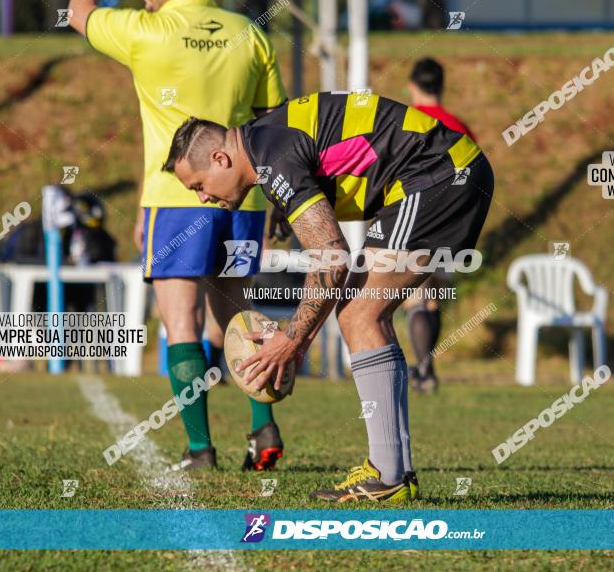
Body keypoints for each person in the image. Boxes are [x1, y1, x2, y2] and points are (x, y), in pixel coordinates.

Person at [163, 90, 493, 502]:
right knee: (358, 314)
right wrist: (299, 338)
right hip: (436, 173)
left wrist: (292, 340)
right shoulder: (264, 142)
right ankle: (392, 473)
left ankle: (389, 477)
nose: (202, 198)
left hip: (439, 174)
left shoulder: (272, 155)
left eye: (198, 185)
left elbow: (333, 258)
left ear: (220, 159)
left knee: (360, 315)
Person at [68, 0, 289, 471]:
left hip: (178, 197)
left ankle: (199, 449)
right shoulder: (248, 31)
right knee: (238, 316)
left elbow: (79, 13)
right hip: (244, 193)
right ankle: (263, 427)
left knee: (181, 323)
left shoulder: (147, 30)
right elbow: (274, 122)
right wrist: (278, 195)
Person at [400, 57, 478, 393]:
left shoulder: (405, 121)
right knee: (433, 297)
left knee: (414, 296)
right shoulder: (459, 125)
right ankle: (426, 366)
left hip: (415, 214)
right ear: (442, 85)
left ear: (412, 85)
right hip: (453, 218)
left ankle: (424, 369)